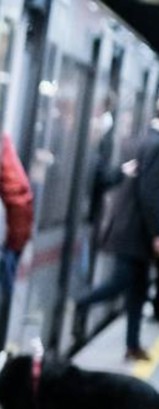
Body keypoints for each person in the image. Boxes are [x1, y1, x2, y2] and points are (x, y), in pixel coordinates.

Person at [75, 103, 159, 361]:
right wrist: (156, 233)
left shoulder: (141, 139)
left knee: (138, 289)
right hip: (135, 232)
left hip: (130, 228)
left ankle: (132, 345)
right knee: (120, 283)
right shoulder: (156, 145)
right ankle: (81, 302)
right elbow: (150, 194)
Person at [0, 133, 33, 351]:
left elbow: (17, 195)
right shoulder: (2, 143)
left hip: (13, 238)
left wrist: (14, 243)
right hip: (15, 237)